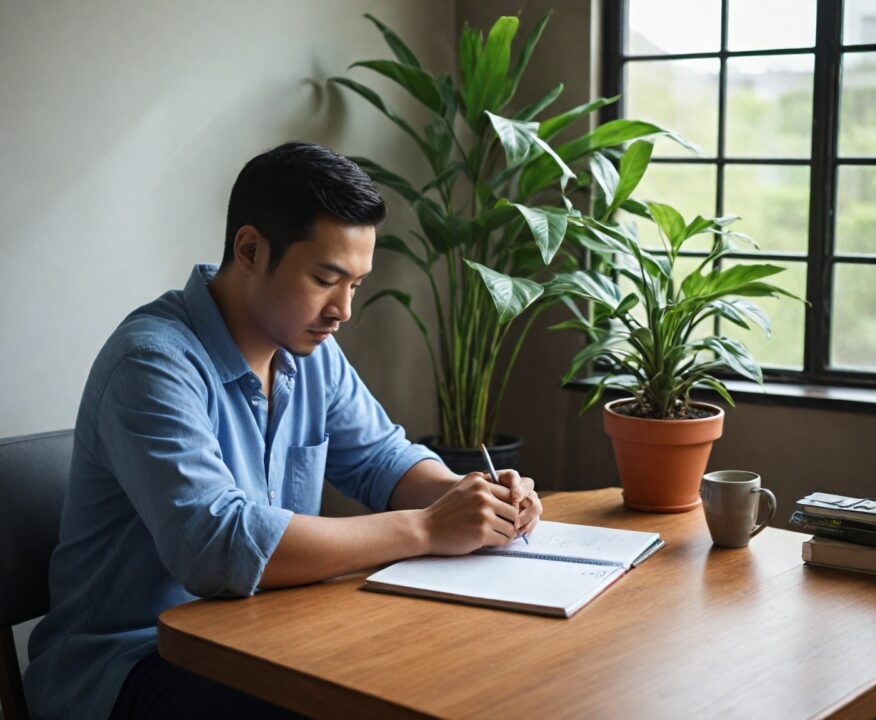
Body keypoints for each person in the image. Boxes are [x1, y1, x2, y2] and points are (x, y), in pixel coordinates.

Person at [23, 142, 542, 720]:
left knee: (453, 670)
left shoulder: (311, 350)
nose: (343, 309)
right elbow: (216, 548)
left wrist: (470, 498)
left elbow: (383, 461)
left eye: (356, 285)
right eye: (327, 278)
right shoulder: (150, 363)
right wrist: (425, 528)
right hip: (126, 668)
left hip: (260, 639)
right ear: (250, 250)